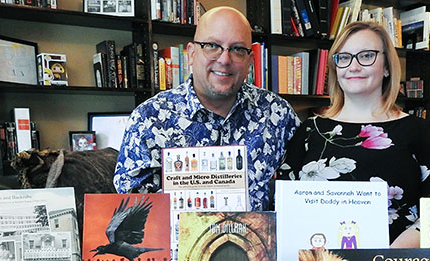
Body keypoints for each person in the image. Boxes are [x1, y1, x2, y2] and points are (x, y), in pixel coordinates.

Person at [277, 21, 430, 248]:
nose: (353, 66)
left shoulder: (420, 131)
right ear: (335, 68)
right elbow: (284, 206)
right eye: (344, 57)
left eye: (366, 56)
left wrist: (388, 258)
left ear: (387, 67)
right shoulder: (310, 131)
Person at [114, 6, 299, 210]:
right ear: (191, 54)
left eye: (237, 49)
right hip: (179, 241)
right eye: (212, 45)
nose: (224, 59)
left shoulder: (277, 114)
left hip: (260, 240)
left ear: (250, 61)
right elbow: (132, 208)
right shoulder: (149, 118)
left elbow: (300, 192)